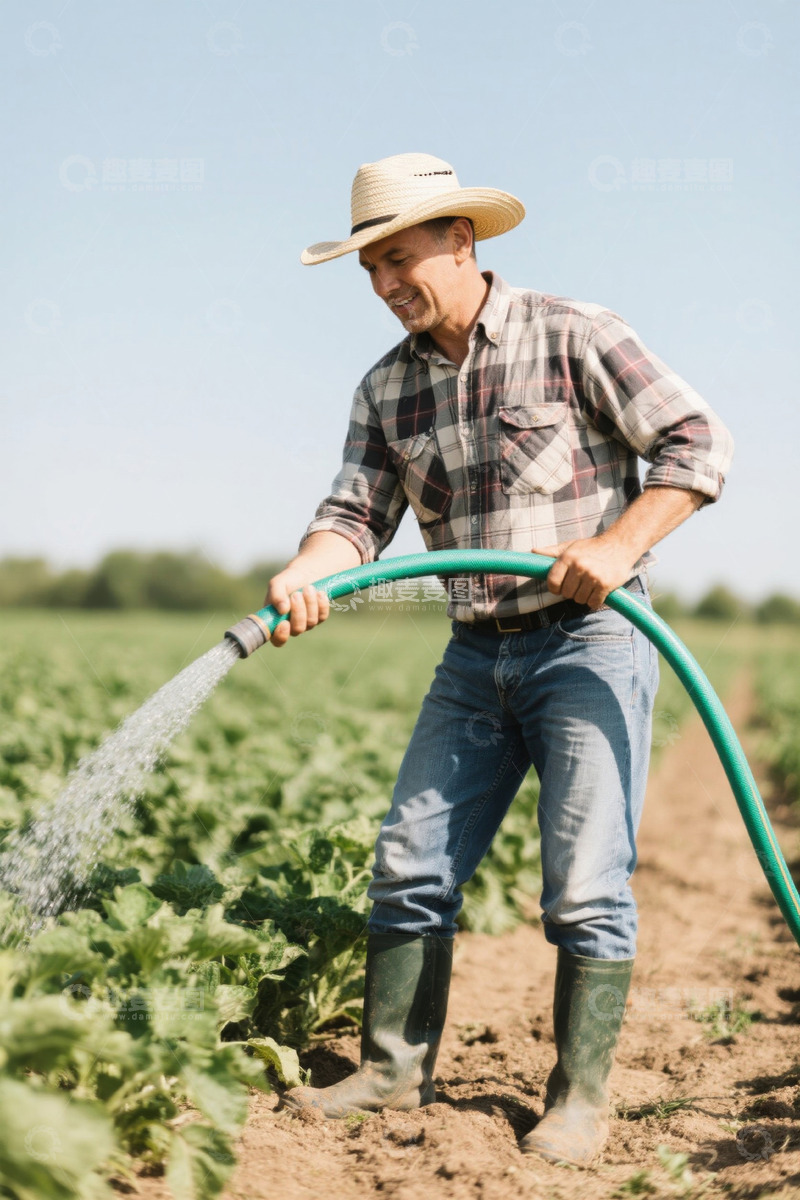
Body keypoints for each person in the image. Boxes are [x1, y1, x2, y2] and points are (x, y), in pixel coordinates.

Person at [265, 153, 734, 1167]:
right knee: (408, 864)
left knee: (581, 884)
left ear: (460, 241)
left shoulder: (573, 333)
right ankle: (394, 1065)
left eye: (399, 261)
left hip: (591, 645)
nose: (387, 286)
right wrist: (309, 569)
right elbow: (353, 515)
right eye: (370, 271)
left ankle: (577, 1097)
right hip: (475, 655)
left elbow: (697, 444)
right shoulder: (384, 386)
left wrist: (614, 547)